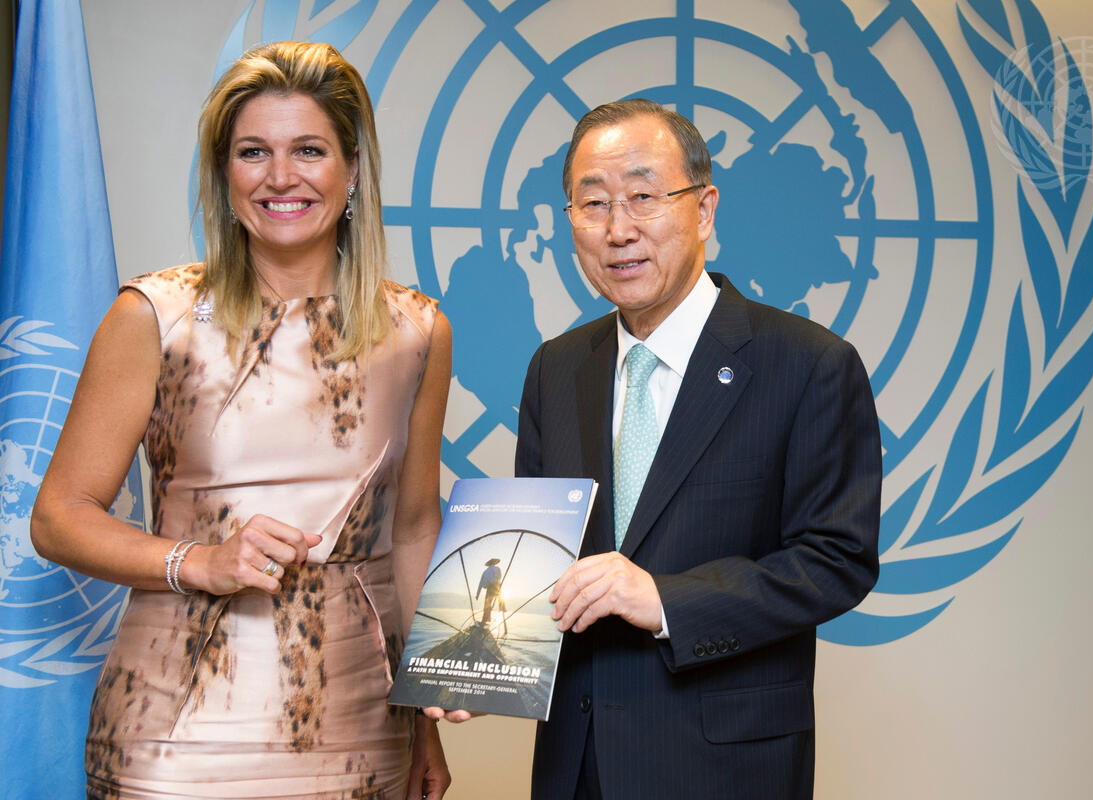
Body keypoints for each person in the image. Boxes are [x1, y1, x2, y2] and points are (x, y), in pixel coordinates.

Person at [31, 42, 451, 800]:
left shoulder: (417, 329)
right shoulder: (154, 315)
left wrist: (426, 719)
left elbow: (415, 529)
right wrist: (199, 562)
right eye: (253, 152)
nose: (281, 177)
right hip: (173, 724)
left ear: (353, 170)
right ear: (224, 174)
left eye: (309, 150)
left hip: (362, 726)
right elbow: (58, 517)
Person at [504, 98, 881, 799]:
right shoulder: (556, 367)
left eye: (643, 197)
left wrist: (666, 600)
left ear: (704, 210)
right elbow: (538, 553)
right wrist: (478, 663)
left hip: (725, 767)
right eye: (593, 204)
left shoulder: (808, 364)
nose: (618, 229)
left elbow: (837, 559)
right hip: (578, 765)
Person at [476, 558, 506, 632]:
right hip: (496, 585)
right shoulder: (497, 568)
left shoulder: (485, 572)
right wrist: (498, 583)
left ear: (489, 564)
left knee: (487, 605)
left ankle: (484, 620)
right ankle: (502, 608)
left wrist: (477, 595)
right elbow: (499, 577)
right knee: (500, 598)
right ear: (494, 563)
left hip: (489, 588)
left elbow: (480, 584)